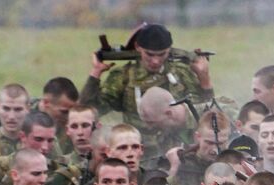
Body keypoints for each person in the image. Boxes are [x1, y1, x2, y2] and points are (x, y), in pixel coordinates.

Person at [81, 23, 214, 128]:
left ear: (170, 49)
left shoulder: (181, 73)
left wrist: (205, 79)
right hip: (137, 151)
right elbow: (88, 113)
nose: (155, 61)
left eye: (162, 54)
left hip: (178, 150)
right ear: (138, 47)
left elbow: (205, 114)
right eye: (149, 54)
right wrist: (96, 73)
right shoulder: (123, 77)